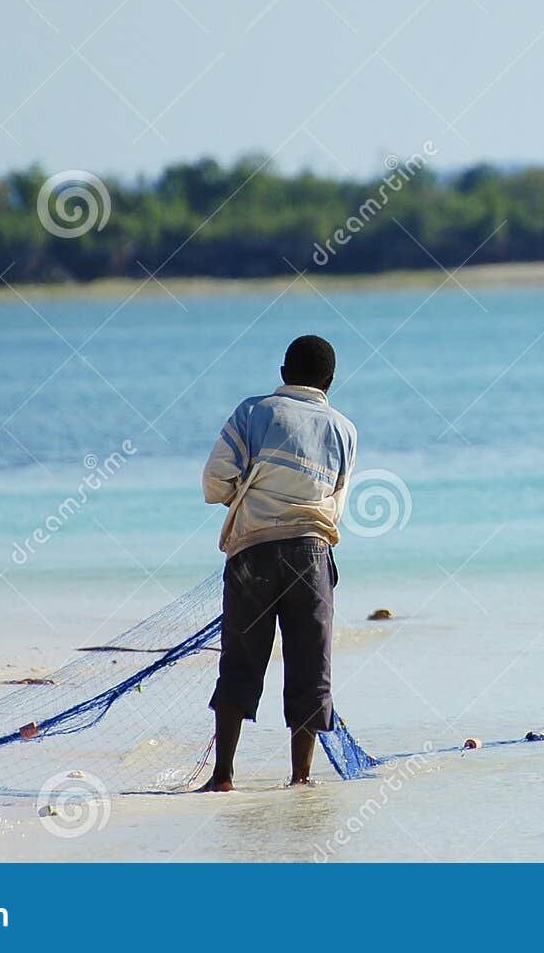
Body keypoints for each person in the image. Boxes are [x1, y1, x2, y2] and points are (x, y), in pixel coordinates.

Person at [197, 334, 357, 791]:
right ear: (329, 381)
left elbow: (214, 481)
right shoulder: (344, 429)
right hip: (311, 555)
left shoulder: (252, 412)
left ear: (284, 373)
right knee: (310, 665)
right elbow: (337, 503)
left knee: (241, 661)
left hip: (253, 550)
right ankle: (301, 778)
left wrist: (247, 499)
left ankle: (223, 776)